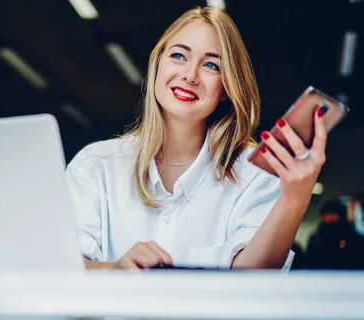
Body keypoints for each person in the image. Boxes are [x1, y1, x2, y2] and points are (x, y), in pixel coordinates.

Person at [65, 6, 328, 270]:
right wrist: (115, 272)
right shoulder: (95, 165)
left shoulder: (255, 173)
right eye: (178, 55)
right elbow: (60, 267)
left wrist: (295, 199)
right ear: (157, 65)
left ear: (227, 87)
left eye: (211, 65)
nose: (190, 75)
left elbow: (251, 276)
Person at [305, 198, 364, 270]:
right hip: (320, 277)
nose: (330, 217)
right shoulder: (315, 239)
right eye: (327, 214)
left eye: (334, 214)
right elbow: (310, 263)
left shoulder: (354, 238)